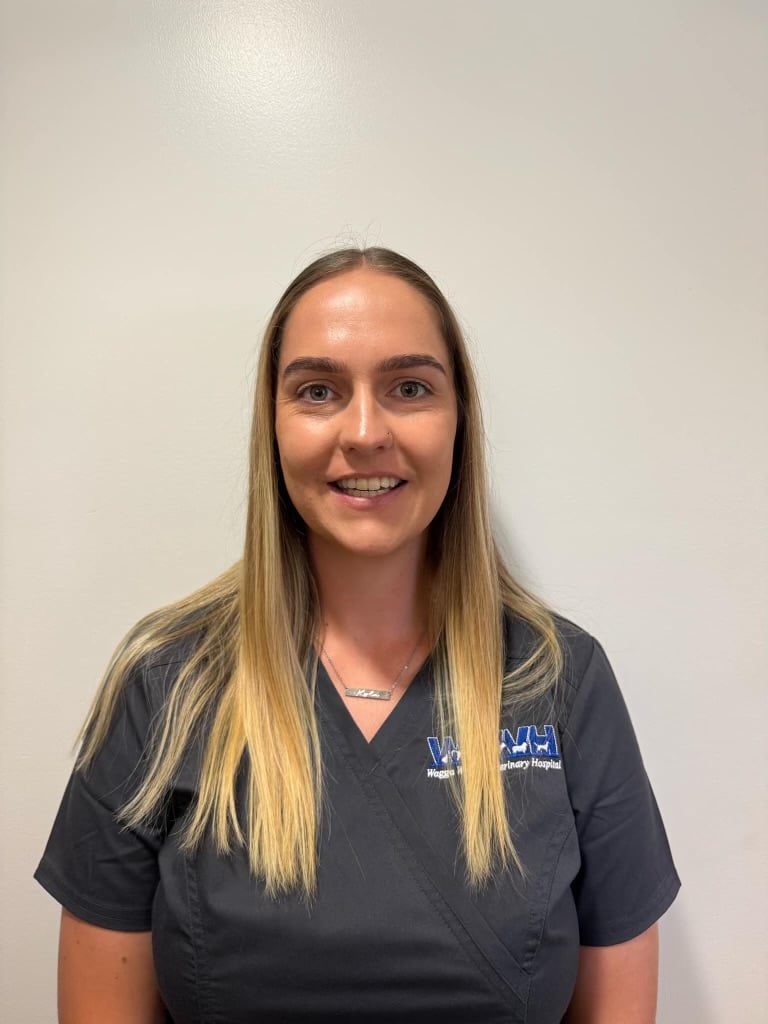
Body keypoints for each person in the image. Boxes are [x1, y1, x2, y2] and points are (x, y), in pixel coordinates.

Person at [36, 247, 680, 1023]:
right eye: (318, 391)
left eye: (409, 388)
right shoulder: (166, 684)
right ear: (271, 426)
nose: (366, 431)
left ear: (459, 421)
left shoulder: (559, 681)